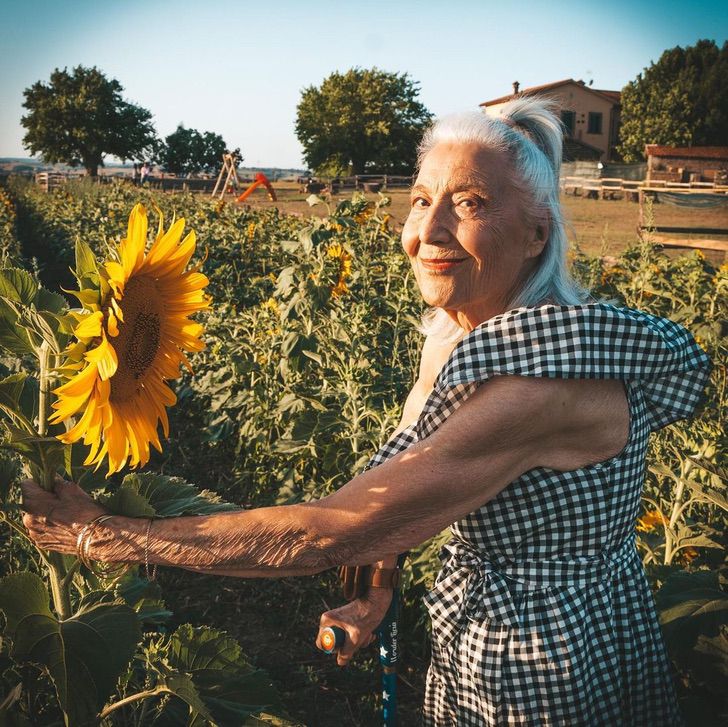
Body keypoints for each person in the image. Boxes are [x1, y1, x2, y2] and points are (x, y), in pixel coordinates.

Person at [22, 97, 709, 726]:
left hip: (545, 658)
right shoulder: (469, 334)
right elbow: (414, 468)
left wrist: (109, 535)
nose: (427, 231)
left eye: (468, 203)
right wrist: (377, 590)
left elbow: (333, 530)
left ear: (536, 234)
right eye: (420, 200)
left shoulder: (538, 386)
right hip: (493, 630)